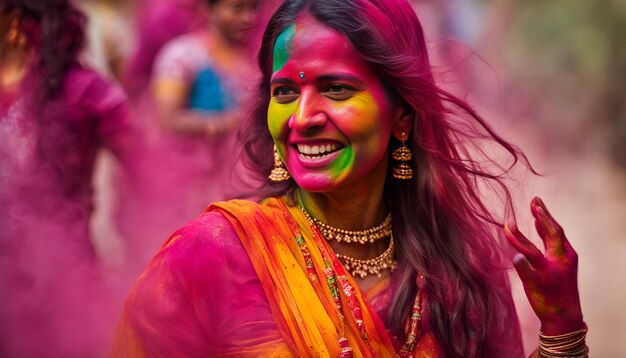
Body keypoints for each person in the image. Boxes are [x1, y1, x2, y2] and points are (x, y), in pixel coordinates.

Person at [112, 0, 586, 357]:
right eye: (284, 91)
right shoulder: (209, 257)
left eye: (336, 88)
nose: (302, 117)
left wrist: (562, 329)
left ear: (402, 114)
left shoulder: (460, 267)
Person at [0, 0, 132, 355]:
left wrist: (136, 232)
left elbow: (148, 163)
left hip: (62, 291)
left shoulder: (83, 91)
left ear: (12, 19)